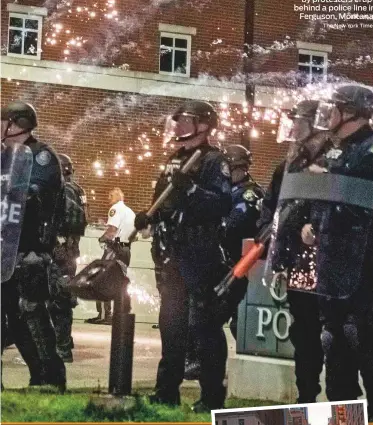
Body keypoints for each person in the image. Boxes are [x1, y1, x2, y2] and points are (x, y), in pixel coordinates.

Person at [261, 99, 361, 404]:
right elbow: (272, 207)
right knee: (303, 334)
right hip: (296, 262)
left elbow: (336, 204)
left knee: (336, 334)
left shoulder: (333, 161)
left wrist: (311, 224)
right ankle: (306, 397)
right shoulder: (288, 165)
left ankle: (341, 399)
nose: (293, 129)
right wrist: (271, 242)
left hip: (328, 261)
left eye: (299, 122)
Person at [134, 100, 232, 412]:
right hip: (173, 253)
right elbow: (161, 201)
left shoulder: (214, 161)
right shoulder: (174, 159)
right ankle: (166, 391)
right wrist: (148, 218)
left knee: (204, 328)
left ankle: (211, 396)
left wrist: (191, 190)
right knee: (171, 324)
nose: (179, 125)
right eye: (178, 120)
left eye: (187, 120)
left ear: (205, 124)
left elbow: (221, 205)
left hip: (201, 253)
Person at [299, 86, 373, 419]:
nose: (328, 115)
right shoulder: (336, 151)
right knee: (335, 351)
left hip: (364, 271)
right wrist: (312, 224)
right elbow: (329, 203)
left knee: (367, 351)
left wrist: (328, 180)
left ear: (351, 113)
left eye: (335, 108)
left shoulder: (372, 150)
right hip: (333, 269)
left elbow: (363, 200)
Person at [184, 144, 264, 380]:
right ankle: (198, 361)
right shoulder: (225, 191)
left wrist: (212, 225)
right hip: (221, 263)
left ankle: (240, 366)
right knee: (203, 316)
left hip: (238, 266)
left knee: (228, 321)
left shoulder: (248, 192)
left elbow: (234, 225)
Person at [1, 101, 66, 391]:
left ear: (18, 124)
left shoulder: (41, 157)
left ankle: (49, 378)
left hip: (30, 251)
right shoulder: (5, 156)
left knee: (32, 315)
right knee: (11, 320)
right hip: (5, 250)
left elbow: (32, 194)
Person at [49, 153, 88, 362]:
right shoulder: (78, 190)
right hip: (68, 251)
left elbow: (70, 223)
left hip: (60, 251)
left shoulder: (64, 190)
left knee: (58, 300)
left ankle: (62, 348)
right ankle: (63, 343)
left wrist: (57, 244)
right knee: (61, 297)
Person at [86, 187, 135, 325]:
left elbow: (112, 230)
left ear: (118, 196)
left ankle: (104, 315)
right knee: (120, 283)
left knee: (101, 280)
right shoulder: (130, 212)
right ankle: (120, 315)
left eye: (111, 195)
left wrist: (101, 239)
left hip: (114, 249)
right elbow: (134, 236)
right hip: (126, 250)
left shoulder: (115, 209)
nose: (109, 198)